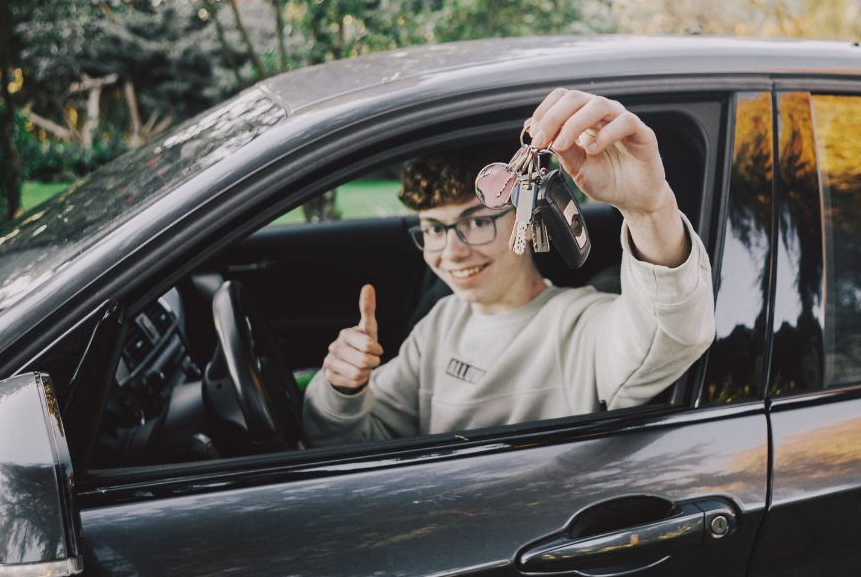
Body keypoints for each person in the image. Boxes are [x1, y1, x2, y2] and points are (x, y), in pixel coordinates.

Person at [303, 89, 715, 445]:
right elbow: (354, 448)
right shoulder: (441, 323)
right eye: (433, 228)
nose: (451, 252)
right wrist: (342, 391)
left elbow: (675, 332)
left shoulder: (581, 326)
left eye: (477, 222)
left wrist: (648, 209)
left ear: (527, 216)